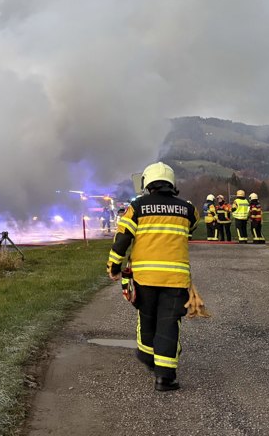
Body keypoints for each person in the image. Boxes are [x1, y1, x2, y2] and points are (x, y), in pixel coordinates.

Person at [107, 162, 197, 392]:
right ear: (172, 183)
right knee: (168, 324)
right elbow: (193, 226)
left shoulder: (136, 208)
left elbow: (122, 240)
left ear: (147, 183)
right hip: (176, 280)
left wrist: (114, 266)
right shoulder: (188, 209)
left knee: (146, 318)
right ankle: (164, 378)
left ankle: (148, 358)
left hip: (144, 278)